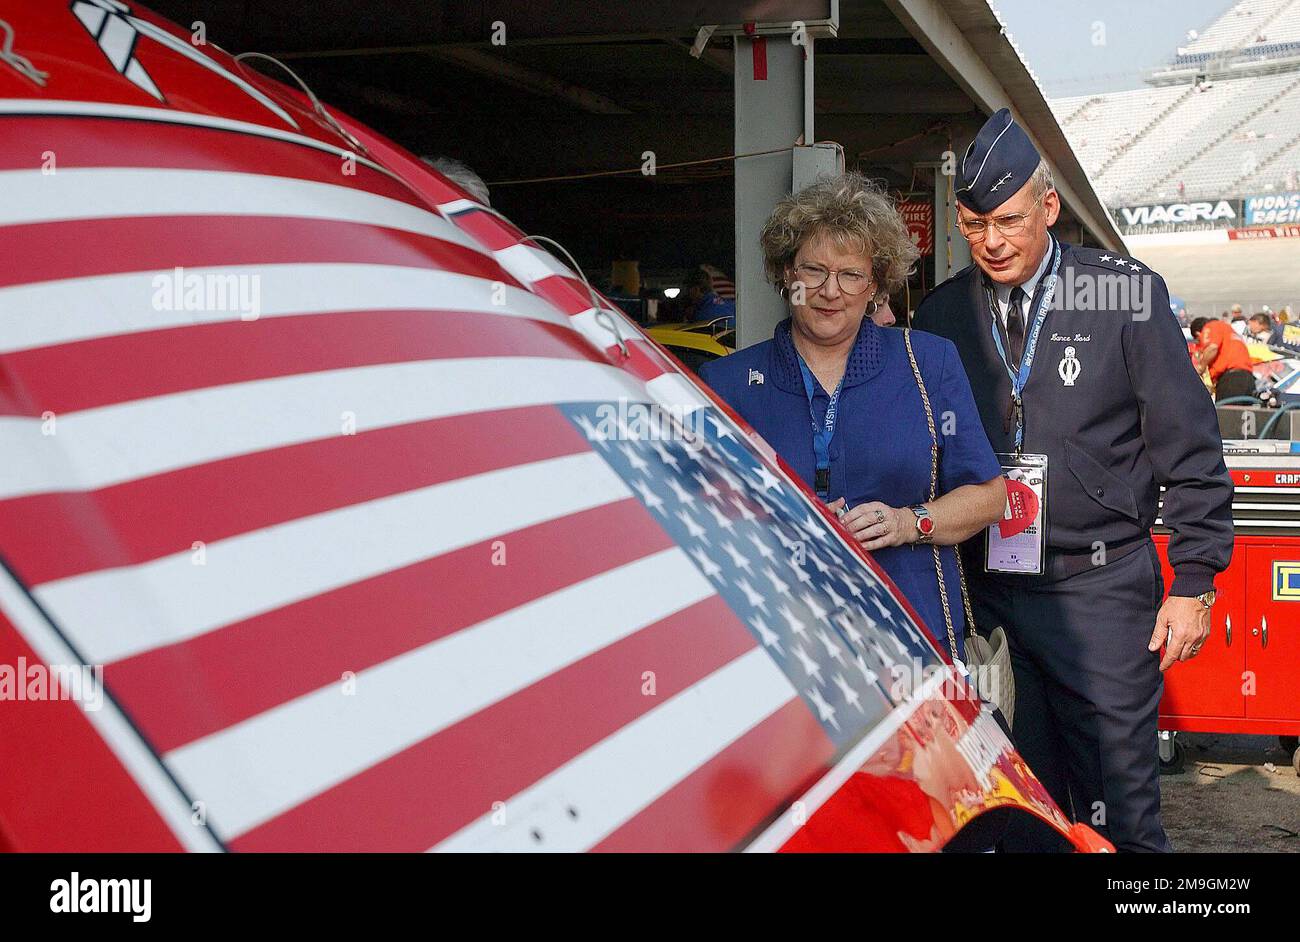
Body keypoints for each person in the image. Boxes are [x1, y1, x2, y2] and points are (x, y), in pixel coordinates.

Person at [912, 109, 1233, 853]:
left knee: (1119, 816)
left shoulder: (1123, 296)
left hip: (1102, 601)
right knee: (1020, 816)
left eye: (1009, 220)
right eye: (973, 222)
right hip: (990, 599)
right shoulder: (941, 314)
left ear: (1048, 207)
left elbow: (1189, 444)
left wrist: (1195, 580)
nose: (991, 240)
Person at [698, 172, 1006, 660]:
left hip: (913, 643)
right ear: (786, 275)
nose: (829, 291)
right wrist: (785, 525)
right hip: (778, 644)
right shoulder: (727, 384)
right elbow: (700, 518)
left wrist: (909, 524)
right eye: (813, 271)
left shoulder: (928, 363)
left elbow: (990, 498)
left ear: (876, 285)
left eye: (850, 275)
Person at [1191, 315, 1255, 401]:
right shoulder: (1227, 330)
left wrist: (1200, 367)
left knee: (1226, 412)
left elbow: (1212, 347)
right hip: (1247, 378)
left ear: (1198, 334)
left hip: (1231, 379)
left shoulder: (1212, 326)